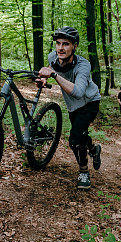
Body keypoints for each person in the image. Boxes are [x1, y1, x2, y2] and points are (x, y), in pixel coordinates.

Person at [37, 27, 102, 190]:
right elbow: (49, 72)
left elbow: (79, 92)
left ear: (75, 46)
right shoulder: (53, 57)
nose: (60, 48)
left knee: (74, 140)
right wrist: (44, 79)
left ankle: (83, 172)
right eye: (58, 43)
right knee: (81, 134)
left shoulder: (83, 65)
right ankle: (94, 149)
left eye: (66, 44)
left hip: (89, 103)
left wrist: (53, 75)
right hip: (73, 106)